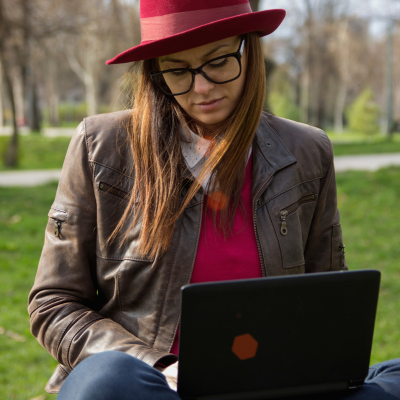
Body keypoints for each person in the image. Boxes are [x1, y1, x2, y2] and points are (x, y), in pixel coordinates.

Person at [28, 0, 400, 399]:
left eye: (218, 61)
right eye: (177, 70)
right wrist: (160, 366)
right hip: (152, 385)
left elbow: (329, 302)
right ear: (156, 72)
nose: (201, 87)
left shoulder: (308, 151)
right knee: (106, 383)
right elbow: (53, 303)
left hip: (272, 385)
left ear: (249, 50)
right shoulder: (101, 147)